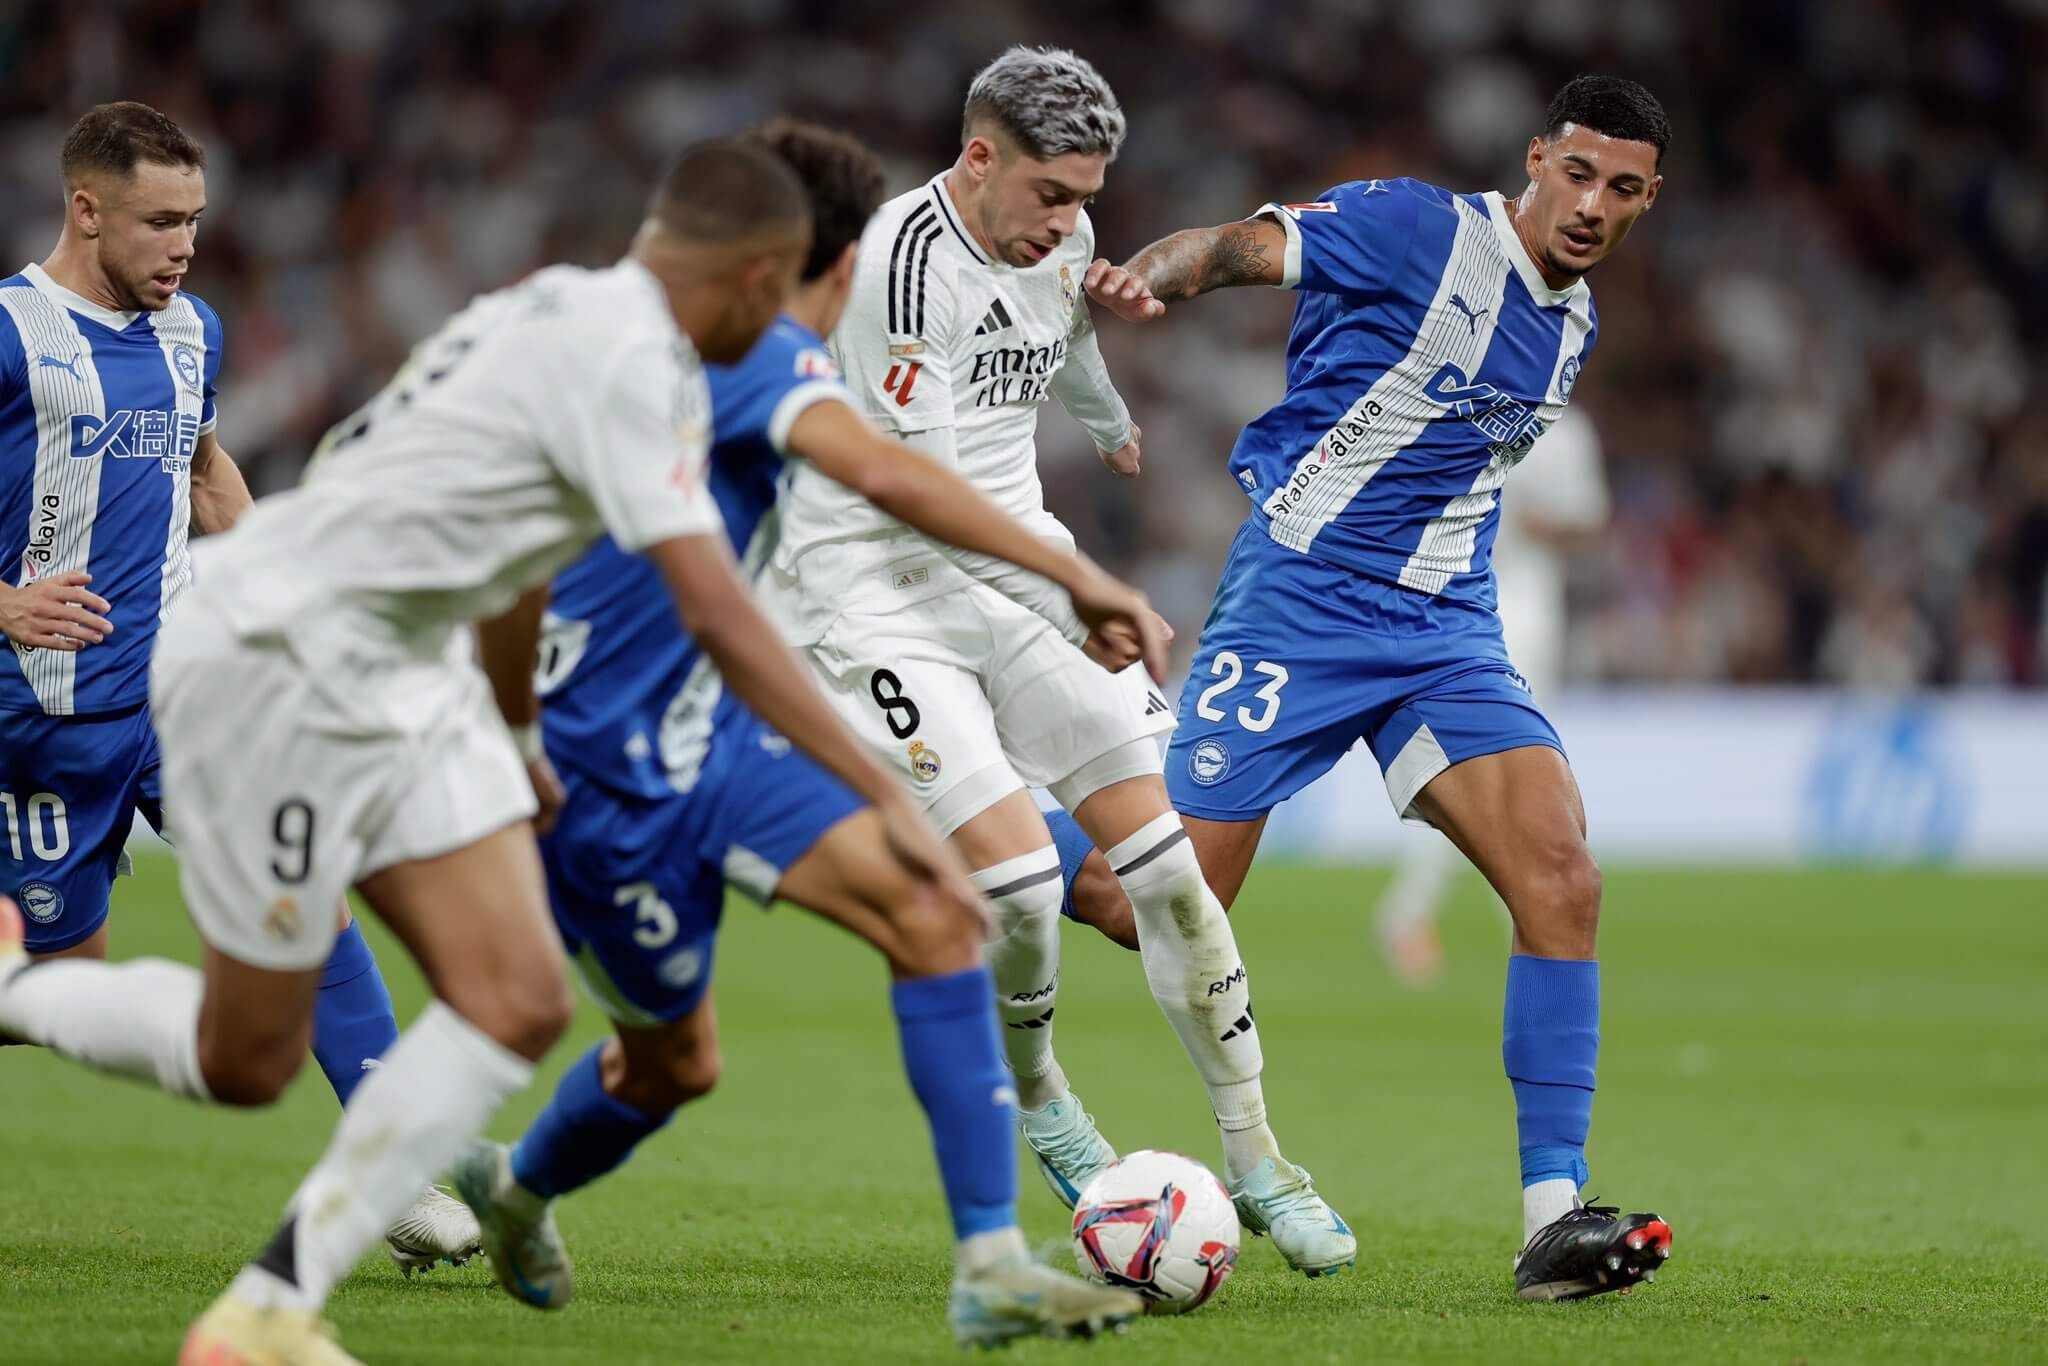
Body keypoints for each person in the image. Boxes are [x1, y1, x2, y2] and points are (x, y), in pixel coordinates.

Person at [0, 136, 1120, 1366]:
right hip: (276, 668)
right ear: (762, 277)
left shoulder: (561, 306)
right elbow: (718, 612)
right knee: (246, 1057)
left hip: (399, 671)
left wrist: (516, 729)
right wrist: (884, 791)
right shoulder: (631, 365)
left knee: (519, 999)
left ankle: (265, 1312)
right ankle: (19, 988)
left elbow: (519, 555)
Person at [458, 118, 1158, 1347]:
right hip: (607, 768)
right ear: (827, 264)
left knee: (936, 915)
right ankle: (500, 1192)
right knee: (670, 1064)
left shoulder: (709, 344)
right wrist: (1074, 578)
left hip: (722, 736)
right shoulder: (729, 360)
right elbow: (888, 479)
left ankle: (989, 1263)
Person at [1076, 74, 1676, 1300]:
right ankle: (982, 826)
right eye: (1574, 173)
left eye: (1619, 189)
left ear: (1645, 200)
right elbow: (1234, 249)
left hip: (1442, 629)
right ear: (1534, 160)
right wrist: (1147, 278)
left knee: (1560, 879)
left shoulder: (1572, 322)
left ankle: (1552, 1220)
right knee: (1146, 906)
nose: (1589, 205)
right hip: (1298, 599)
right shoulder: (1414, 226)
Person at [759, 46, 1355, 1277]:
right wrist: (1075, 595)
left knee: (1171, 875)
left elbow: (1059, 322)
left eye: (1086, 196)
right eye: (1048, 193)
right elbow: (920, 493)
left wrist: (1106, 419)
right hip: (873, 596)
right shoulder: (896, 267)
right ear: (977, 158)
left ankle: (1259, 1160)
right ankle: (1042, 1100)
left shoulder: (1054, 233)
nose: (1068, 221)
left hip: (1017, 567)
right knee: (1024, 885)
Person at [0, 100, 476, 1274]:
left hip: (182, 697)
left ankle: (392, 1168)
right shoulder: (11, 336)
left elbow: (205, 474)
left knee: (301, 889)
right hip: (40, 725)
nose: (184, 246)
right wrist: (4, 603)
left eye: (196, 221)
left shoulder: (193, 333)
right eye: (158, 222)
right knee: (58, 996)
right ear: (85, 211)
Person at [1376, 407, 1611, 985]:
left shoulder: (1566, 431)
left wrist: (1535, 520)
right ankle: (1419, 913)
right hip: (1461, 601)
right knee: (1485, 769)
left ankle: (1467, 909)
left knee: (1512, 769)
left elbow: (1589, 520)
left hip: (1530, 604)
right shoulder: (1460, 401)